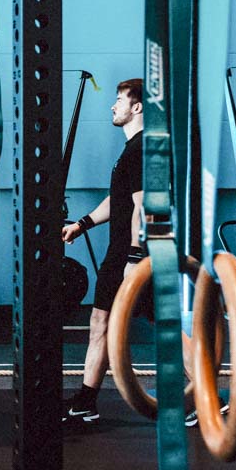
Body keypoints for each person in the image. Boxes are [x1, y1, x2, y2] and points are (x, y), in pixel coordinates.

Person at [61, 78, 145, 428]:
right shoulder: (129, 151)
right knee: (100, 322)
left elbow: (143, 207)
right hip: (119, 252)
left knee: (168, 329)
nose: (113, 106)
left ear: (136, 107)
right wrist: (82, 224)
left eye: (119, 100)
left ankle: (204, 399)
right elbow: (120, 200)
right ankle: (86, 400)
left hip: (137, 255)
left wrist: (136, 257)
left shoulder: (142, 150)